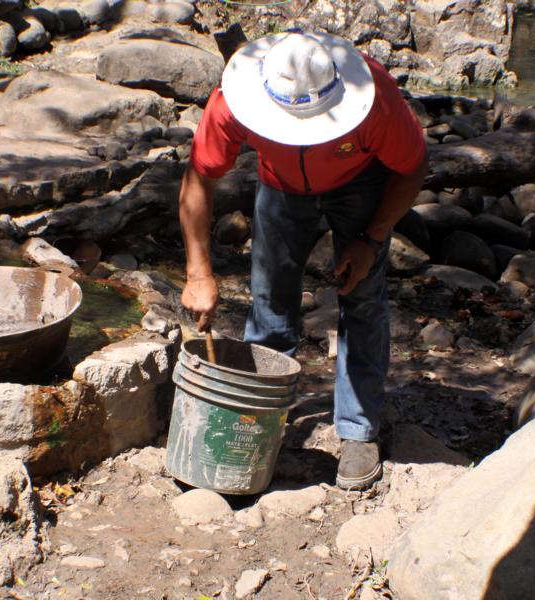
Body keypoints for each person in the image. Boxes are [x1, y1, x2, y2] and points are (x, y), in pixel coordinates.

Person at [178, 30, 428, 490]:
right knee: (270, 298)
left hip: (361, 181)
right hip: (280, 183)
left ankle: (359, 430)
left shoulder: (375, 97)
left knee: (363, 297)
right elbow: (200, 177)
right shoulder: (233, 101)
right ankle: (259, 415)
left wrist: (371, 240)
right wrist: (198, 273)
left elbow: (412, 167)